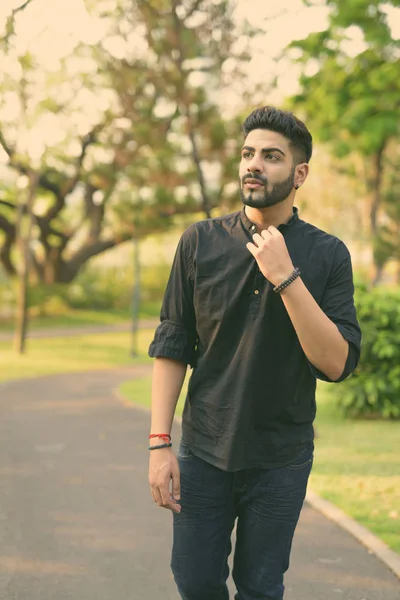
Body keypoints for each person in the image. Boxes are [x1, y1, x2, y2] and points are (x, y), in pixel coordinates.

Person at [147, 106, 361, 600]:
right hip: (203, 451)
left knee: (261, 587)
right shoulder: (199, 242)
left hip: (280, 459)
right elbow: (173, 342)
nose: (254, 165)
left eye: (271, 156)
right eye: (248, 154)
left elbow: (336, 363)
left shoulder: (328, 255)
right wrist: (159, 444)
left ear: (299, 173)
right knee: (195, 581)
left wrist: (287, 277)